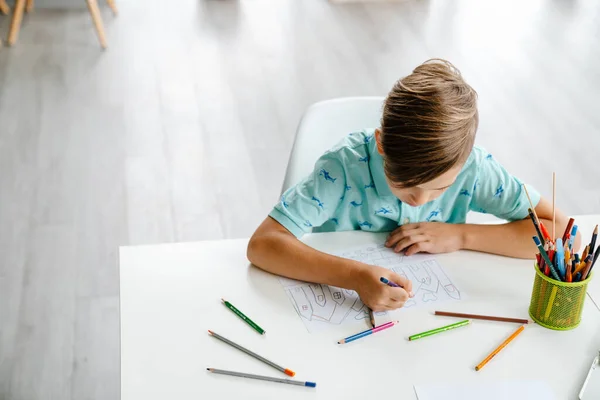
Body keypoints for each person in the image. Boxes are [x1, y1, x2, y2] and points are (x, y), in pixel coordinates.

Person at [247, 59, 578, 312]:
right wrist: (353, 277)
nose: (420, 200)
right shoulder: (345, 168)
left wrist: (460, 235)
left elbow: (562, 232)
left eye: (439, 188)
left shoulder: (475, 169)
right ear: (381, 144)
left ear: (463, 165)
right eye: (405, 183)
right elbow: (263, 244)